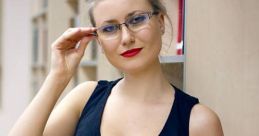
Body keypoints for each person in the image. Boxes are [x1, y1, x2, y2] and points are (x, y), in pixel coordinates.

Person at [9, 0, 224, 135]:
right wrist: (57, 76)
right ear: (99, 41)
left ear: (160, 21)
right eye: (110, 28)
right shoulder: (84, 98)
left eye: (137, 19)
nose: (127, 38)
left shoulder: (198, 122)